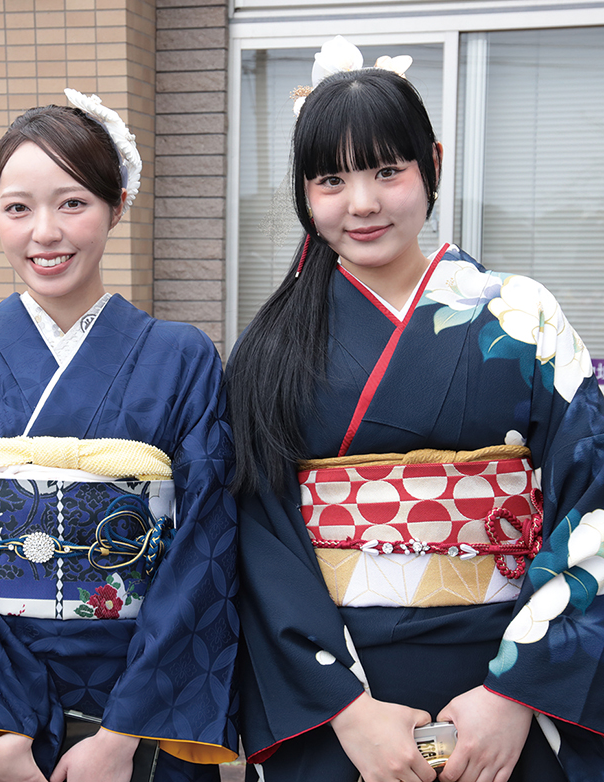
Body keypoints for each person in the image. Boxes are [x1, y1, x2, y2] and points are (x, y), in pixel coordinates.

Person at [228, 36, 604, 782]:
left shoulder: (523, 316)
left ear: (431, 163)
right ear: (303, 192)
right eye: (331, 179)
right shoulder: (270, 348)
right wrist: (347, 711)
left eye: (387, 171)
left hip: (508, 677)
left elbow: (592, 498)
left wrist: (516, 691)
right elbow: (257, 536)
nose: (362, 203)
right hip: (343, 696)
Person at [0, 90, 239, 782]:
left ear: (117, 205)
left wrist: (122, 736)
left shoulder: (182, 357)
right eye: (18, 208)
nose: (45, 232)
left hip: (136, 710)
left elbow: (206, 546)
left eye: (73, 203)